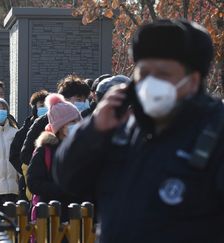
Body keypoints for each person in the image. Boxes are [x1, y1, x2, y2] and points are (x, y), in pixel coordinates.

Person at [54, 20, 223, 243]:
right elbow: (68, 179)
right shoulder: (121, 126)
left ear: (192, 80)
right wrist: (92, 130)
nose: (151, 82)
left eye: (163, 74)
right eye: (144, 73)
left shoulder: (215, 130)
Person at [27, 93, 82, 222]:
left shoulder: (82, 148)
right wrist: (61, 189)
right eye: (71, 122)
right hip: (52, 218)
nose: (76, 125)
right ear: (60, 126)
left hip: (80, 217)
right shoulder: (45, 150)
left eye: (77, 121)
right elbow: (33, 183)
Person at [19, 74, 87, 168]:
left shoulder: (83, 121)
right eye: (79, 99)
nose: (83, 104)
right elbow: (25, 155)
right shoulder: (43, 122)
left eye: (85, 100)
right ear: (65, 99)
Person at [9, 90, 48, 200]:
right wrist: (26, 169)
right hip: (27, 180)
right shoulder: (25, 130)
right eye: (41, 105)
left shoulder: (54, 126)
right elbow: (14, 154)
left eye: (47, 104)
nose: (45, 108)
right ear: (34, 108)